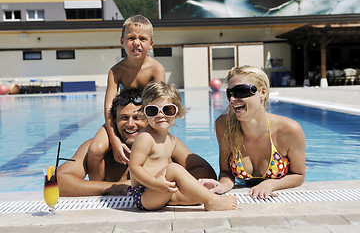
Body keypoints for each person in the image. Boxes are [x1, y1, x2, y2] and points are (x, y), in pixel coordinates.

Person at [57, 88, 216, 197]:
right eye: (124, 118)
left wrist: (169, 187)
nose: (130, 124)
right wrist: (115, 188)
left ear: (148, 118)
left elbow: (206, 171)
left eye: (137, 118)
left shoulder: (165, 143)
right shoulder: (96, 147)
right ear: (114, 121)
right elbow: (59, 181)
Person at [199, 65, 305, 199]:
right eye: (230, 93)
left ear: (262, 92)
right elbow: (226, 171)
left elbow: (299, 175)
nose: (232, 99)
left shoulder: (289, 130)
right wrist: (222, 185)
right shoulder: (224, 125)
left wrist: (270, 184)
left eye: (240, 91)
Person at [128, 81, 237, 211]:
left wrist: (198, 183)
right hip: (145, 193)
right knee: (174, 168)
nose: (160, 115)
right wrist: (155, 183)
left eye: (168, 110)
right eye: (153, 110)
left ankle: (206, 196)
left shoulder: (171, 140)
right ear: (145, 113)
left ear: (177, 112)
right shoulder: (145, 138)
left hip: (164, 191)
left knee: (199, 193)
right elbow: (134, 167)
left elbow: (201, 166)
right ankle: (212, 201)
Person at [87, 14, 165, 180]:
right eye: (131, 38)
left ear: (150, 44)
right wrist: (115, 141)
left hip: (147, 121)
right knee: (94, 151)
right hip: (122, 120)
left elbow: (161, 107)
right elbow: (109, 108)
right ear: (122, 42)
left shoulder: (156, 70)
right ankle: (97, 189)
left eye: (142, 38)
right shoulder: (116, 71)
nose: (136, 42)